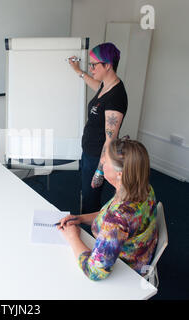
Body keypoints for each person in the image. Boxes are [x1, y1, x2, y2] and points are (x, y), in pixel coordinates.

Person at [58, 138, 158, 281]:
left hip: (125, 272)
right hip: (139, 253)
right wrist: (80, 218)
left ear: (120, 174)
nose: (102, 160)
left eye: (106, 159)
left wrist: (72, 237)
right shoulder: (143, 188)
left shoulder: (118, 219)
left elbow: (94, 272)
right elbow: (108, 215)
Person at [68, 42, 128, 214]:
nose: (91, 68)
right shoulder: (105, 85)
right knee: (86, 193)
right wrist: (78, 71)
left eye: (94, 65)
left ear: (108, 65)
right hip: (89, 152)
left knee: (91, 198)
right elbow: (94, 84)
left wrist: (100, 171)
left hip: (97, 157)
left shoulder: (116, 97)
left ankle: (91, 234)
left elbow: (110, 139)